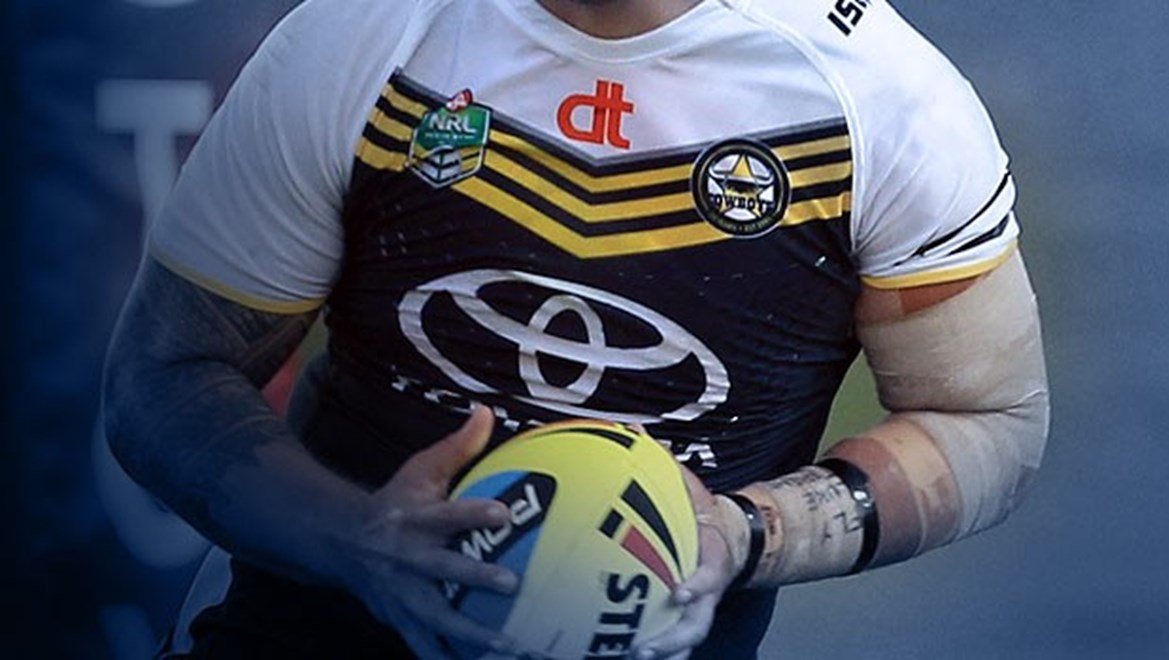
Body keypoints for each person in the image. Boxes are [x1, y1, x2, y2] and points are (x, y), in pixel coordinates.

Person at [102, 0, 1050, 658]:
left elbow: (985, 420)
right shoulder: (359, 36)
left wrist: (744, 533)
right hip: (297, 635)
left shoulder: (886, 101)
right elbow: (166, 372)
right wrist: (351, 536)